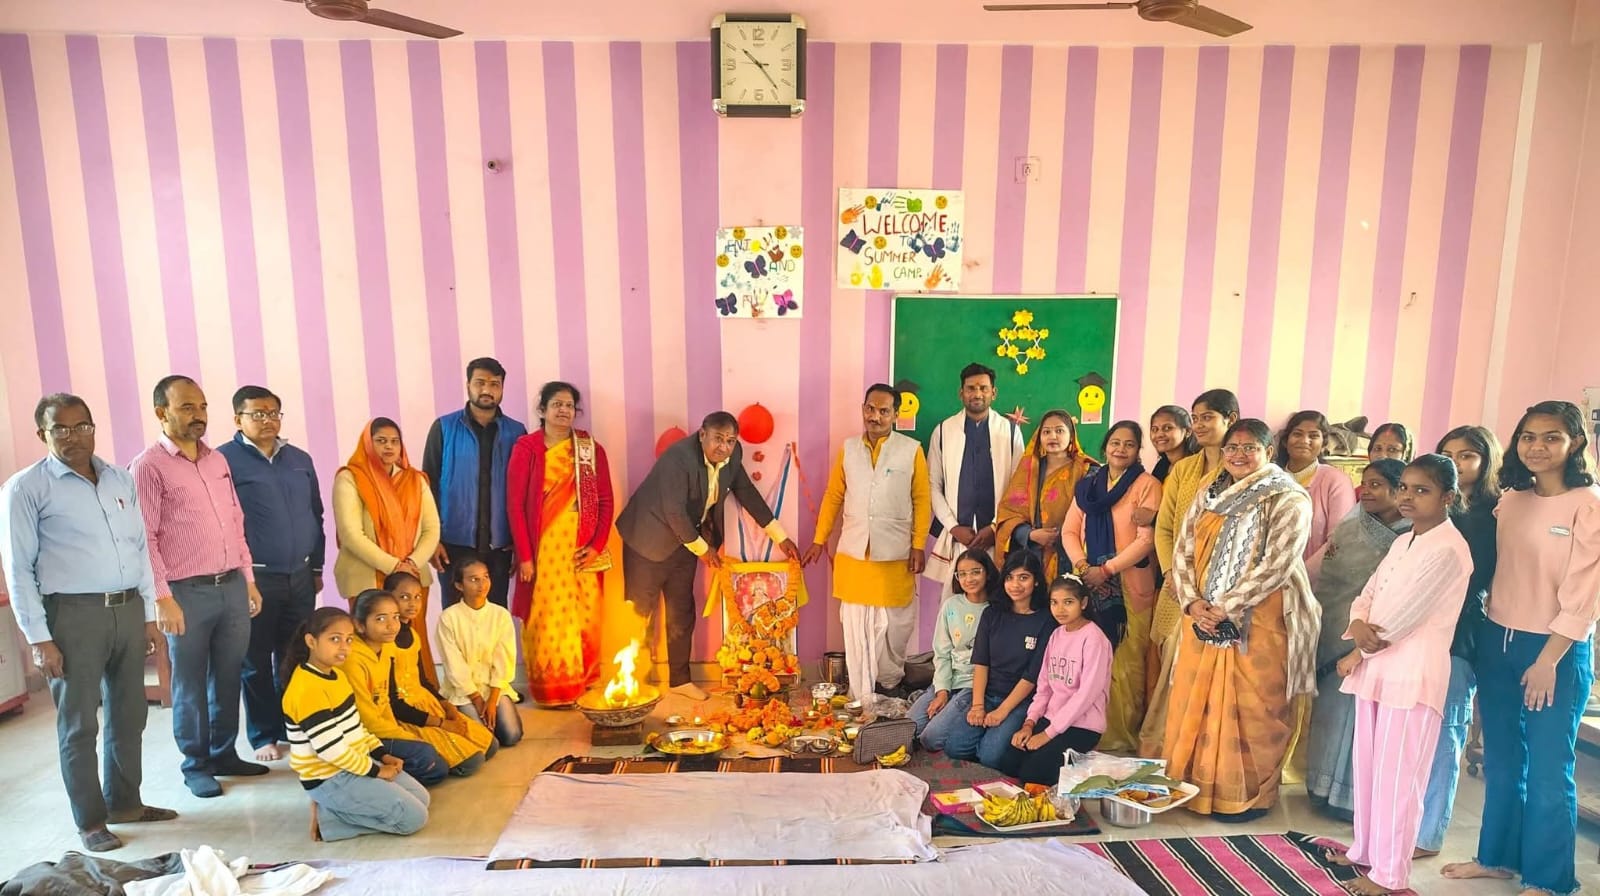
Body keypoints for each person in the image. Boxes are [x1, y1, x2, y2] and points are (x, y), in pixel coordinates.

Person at [0, 394, 176, 852]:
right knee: (79, 723)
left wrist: (148, 615)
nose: (73, 436)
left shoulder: (119, 478)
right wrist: (39, 638)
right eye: (60, 428)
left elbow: (139, 548)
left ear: (94, 428)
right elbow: (18, 571)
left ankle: (126, 804)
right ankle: (91, 821)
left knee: (130, 714)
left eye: (82, 426)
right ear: (42, 434)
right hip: (71, 617)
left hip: (127, 610)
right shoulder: (25, 489)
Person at [1443, 400, 1599, 896]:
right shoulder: (1511, 499)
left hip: (1554, 651)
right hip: (1497, 639)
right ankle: (1496, 858)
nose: (1537, 447)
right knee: (1503, 760)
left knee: (1551, 768)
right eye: (1528, 436)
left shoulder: (1588, 503)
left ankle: (1550, 879)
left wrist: (1548, 660)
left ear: (1575, 443)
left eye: (1551, 437)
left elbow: (1585, 595)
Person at [1328, 456, 1472, 896]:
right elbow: (1370, 592)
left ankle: (1390, 875)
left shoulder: (1449, 548)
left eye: (1421, 490)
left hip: (1412, 675)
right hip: (1379, 669)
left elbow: (1404, 614)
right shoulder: (1404, 540)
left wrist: (1359, 646)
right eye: (1405, 488)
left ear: (1447, 497)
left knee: (1399, 779)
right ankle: (1365, 851)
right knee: (1370, 770)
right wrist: (1357, 623)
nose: (1408, 497)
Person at [1162, 418, 1317, 820]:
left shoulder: (1288, 498)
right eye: (1232, 447)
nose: (1239, 455)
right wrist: (1193, 603)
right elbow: (1184, 549)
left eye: (1250, 448)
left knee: (1255, 707)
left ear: (1269, 452)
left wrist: (1227, 606)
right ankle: (1194, 787)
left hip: (1263, 618)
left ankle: (1245, 795)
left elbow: (1278, 563)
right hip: (1202, 619)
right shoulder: (1209, 491)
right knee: (1196, 698)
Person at [130, 375, 268, 799]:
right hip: (184, 592)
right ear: (161, 412)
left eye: (203, 406)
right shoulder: (148, 466)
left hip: (231, 585)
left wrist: (248, 580)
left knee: (228, 675)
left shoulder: (217, 460)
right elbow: (145, 538)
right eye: (187, 407)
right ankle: (196, 765)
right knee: (189, 683)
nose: (199, 415)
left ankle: (224, 754)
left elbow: (236, 523)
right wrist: (162, 598)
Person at [615, 412, 800, 700]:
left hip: (686, 543)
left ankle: (679, 681)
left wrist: (780, 536)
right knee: (640, 613)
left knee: (681, 611)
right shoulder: (678, 458)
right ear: (702, 435)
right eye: (718, 439)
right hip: (647, 539)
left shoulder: (733, 456)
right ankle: (634, 683)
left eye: (730, 440)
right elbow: (674, 512)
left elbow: (746, 493)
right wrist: (704, 550)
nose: (723, 447)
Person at [804, 384, 932, 706]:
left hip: (896, 553)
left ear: (895, 415)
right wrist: (819, 539)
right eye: (870, 409)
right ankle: (862, 688)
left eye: (884, 411)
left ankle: (889, 683)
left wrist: (918, 544)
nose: (875, 416)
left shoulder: (911, 450)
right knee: (856, 625)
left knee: (895, 626)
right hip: (855, 553)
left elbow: (922, 499)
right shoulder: (848, 449)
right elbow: (834, 496)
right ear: (863, 409)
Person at [217, 386, 326, 763]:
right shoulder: (223, 461)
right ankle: (264, 734)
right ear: (238, 419)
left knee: (296, 655)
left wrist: (316, 566)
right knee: (256, 659)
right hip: (255, 579)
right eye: (257, 414)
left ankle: (295, 727)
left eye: (273, 413)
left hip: (300, 575)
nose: (267, 420)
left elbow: (316, 513)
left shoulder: (299, 459)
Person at [1303, 459, 1410, 821]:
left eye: (1377, 485)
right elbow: (1326, 571)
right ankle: (1320, 788)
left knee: (1359, 719)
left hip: (1374, 640)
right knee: (1330, 712)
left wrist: (1362, 641)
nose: (1367, 491)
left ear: (1398, 490)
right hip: (1332, 627)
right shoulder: (1352, 522)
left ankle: (1350, 798)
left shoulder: (1411, 537)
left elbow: (1394, 595)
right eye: (1365, 484)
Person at [1416, 425, 1500, 856]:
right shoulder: (1433, 512)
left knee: (1444, 734)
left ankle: (1428, 834)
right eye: (1447, 454)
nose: (1456, 462)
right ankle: (1402, 827)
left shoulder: (1489, 517)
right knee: (1415, 735)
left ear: (1486, 462)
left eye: (1466, 455)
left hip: (1457, 637)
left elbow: (1471, 582)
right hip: (1415, 634)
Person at [1141, 388, 1238, 757]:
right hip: (1179, 586)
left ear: (1230, 419)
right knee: (1172, 662)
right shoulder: (1182, 470)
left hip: (1225, 591)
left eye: (1207, 417)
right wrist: (1172, 574)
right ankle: (1168, 747)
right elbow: (1165, 528)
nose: (1199, 425)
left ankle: (1205, 752)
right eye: (1195, 418)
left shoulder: (1242, 470)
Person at [280, 607, 429, 842]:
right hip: (330, 778)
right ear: (311, 641)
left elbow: (355, 727)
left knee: (422, 799)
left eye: (349, 640)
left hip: (353, 764)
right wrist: (377, 771)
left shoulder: (337, 675)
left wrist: (381, 754)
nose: (344, 647)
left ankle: (338, 809)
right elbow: (332, 751)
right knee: (413, 819)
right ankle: (328, 820)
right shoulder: (307, 689)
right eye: (334, 639)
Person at [506, 382, 613, 707]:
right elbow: (515, 506)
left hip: (581, 548)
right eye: (557, 404)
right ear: (543, 410)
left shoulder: (589, 449)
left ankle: (584, 683)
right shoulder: (527, 448)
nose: (564, 411)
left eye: (569, 405)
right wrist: (525, 557)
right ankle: (554, 689)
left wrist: (596, 546)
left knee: (585, 614)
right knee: (548, 616)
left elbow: (606, 501)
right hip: (543, 549)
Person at [1060, 420, 1160, 752]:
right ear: (1105, 447)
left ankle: (1120, 738)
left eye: (1129, 444)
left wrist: (1107, 569)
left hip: (1130, 586)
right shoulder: (1088, 486)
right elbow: (1069, 531)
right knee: (1091, 660)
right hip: (1089, 583)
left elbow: (1146, 540)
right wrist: (1083, 566)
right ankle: (1088, 733)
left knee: (1127, 663)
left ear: (1138, 450)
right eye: (1115, 442)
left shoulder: (1147, 485)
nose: (1121, 449)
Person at [333, 417, 442, 686]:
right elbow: (350, 534)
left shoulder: (416, 480)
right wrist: (394, 566)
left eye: (394, 441)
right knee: (373, 643)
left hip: (412, 576)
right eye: (381, 441)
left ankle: (418, 693)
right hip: (367, 576)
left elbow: (432, 529)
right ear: (368, 444)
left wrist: (411, 563)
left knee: (412, 640)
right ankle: (376, 698)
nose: (389, 447)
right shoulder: (350, 478)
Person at [344, 589, 489, 782]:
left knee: (483, 745)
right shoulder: (352, 660)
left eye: (395, 617)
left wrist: (441, 707)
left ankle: (392, 764)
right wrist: (408, 737)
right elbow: (368, 719)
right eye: (380, 619)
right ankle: (371, 768)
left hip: (387, 726)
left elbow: (386, 700)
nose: (391, 626)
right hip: (363, 735)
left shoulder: (386, 647)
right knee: (436, 764)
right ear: (359, 625)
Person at [422, 358, 527, 611]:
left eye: (495, 384)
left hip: (500, 546)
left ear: (502, 388)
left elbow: (524, 491)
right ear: (468, 384)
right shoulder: (444, 428)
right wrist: (432, 539)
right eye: (480, 382)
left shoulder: (516, 432)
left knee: (495, 616)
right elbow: (426, 487)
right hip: (452, 544)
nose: (487, 389)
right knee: (455, 617)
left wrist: (519, 541)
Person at [941, 550, 1058, 770]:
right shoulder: (992, 613)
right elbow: (981, 663)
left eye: (1023, 577)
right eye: (1010, 578)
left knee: (990, 756)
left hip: (1022, 701)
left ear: (1036, 581)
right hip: (988, 695)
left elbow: (1032, 676)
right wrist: (978, 706)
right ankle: (988, 741)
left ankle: (999, 746)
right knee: (954, 748)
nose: (1015, 585)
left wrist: (1002, 711)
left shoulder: (1047, 620)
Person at [923, 362, 1026, 588]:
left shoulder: (1011, 432)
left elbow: (1020, 487)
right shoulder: (943, 431)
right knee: (955, 602)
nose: (977, 394)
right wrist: (953, 527)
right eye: (971, 388)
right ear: (961, 393)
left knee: (997, 600)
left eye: (983, 388)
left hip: (997, 538)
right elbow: (932, 484)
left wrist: (995, 527)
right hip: (958, 537)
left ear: (993, 393)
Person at [1003, 575, 1112, 786]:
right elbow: (1044, 686)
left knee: (1032, 774)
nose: (1060, 609)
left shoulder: (1094, 639)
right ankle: (1066, 763)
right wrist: (1029, 724)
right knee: (1009, 760)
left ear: (1083, 603)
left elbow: (1085, 696)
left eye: (1068, 602)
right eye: (1054, 602)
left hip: (1082, 724)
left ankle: (1085, 768)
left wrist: (1047, 735)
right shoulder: (1056, 634)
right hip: (1052, 718)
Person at [383, 570, 497, 761]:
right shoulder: (386, 641)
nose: (412, 604)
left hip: (425, 702)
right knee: (472, 761)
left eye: (417, 597)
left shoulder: (414, 635)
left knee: (490, 745)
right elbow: (393, 702)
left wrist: (445, 704)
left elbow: (422, 680)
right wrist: (441, 723)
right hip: (405, 712)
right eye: (404, 597)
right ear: (388, 598)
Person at [993, 410, 1098, 580]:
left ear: (1071, 436)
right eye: (1046, 432)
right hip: (1032, 556)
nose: (1052, 436)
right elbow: (1008, 514)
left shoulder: (1087, 471)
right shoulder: (1028, 471)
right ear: (1039, 437)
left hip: (1072, 557)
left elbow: (1094, 516)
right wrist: (1030, 534)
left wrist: (1064, 536)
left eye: (1059, 430)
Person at [910, 550, 998, 751]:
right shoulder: (951, 605)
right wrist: (942, 691)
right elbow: (942, 653)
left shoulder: (996, 609)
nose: (969, 579)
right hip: (948, 680)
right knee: (909, 728)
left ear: (987, 573)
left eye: (975, 572)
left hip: (973, 687)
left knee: (930, 739)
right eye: (962, 574)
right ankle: (932, 701)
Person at [436, 554, 523, 747]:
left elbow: (504, 658)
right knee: (484, 742)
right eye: (474, 579)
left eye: (485, 577)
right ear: (459, 585)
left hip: (494, 688)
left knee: (512, 735)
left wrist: (492, 700)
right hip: (464, 692)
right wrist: (476, 699)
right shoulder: (448, 618)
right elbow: (454, 665)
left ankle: (494, 724)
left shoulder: (500, 615)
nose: (482, 584)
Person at [1274, 410, 1358, 560]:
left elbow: (1338, 541)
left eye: (1313, 436)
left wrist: (1303, 573)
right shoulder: (1272, 479)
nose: (1304, 440)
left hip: (1315, 572)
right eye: (1297, 434)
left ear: (1324, 445)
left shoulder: (1336, 481)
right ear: (1286, 442)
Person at [1149, 406, 1199, 484]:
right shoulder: (1161, 466)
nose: (1159, 434)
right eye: (1154, 429)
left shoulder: (1197, 464)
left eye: (1167, 428)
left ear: (1188, 431)